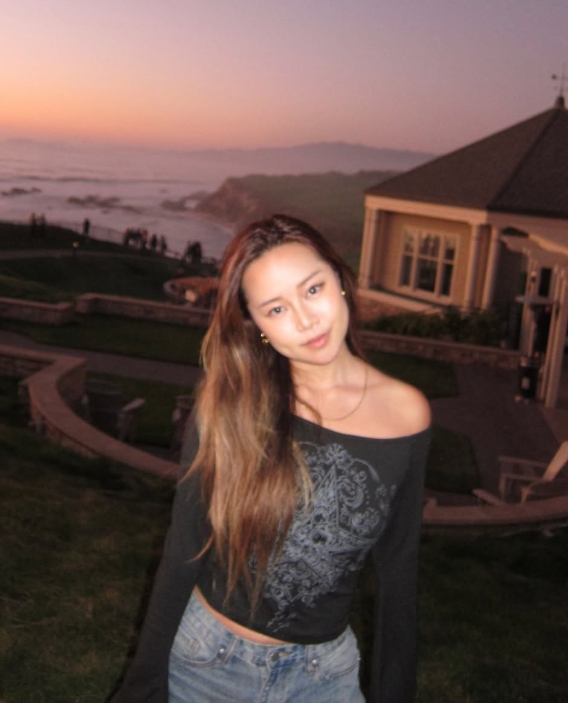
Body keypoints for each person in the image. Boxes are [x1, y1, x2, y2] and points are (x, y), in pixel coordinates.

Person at [110, 215, 431, 703]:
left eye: (313, 289)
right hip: (207, 662)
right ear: (256, 325)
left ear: (341, 280)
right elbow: (184, 547)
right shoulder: (230, 405)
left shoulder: (406, 414)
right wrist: (146, 681)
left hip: (326, 675)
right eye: (276, 308)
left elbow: (399, 571)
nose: (305, 320)